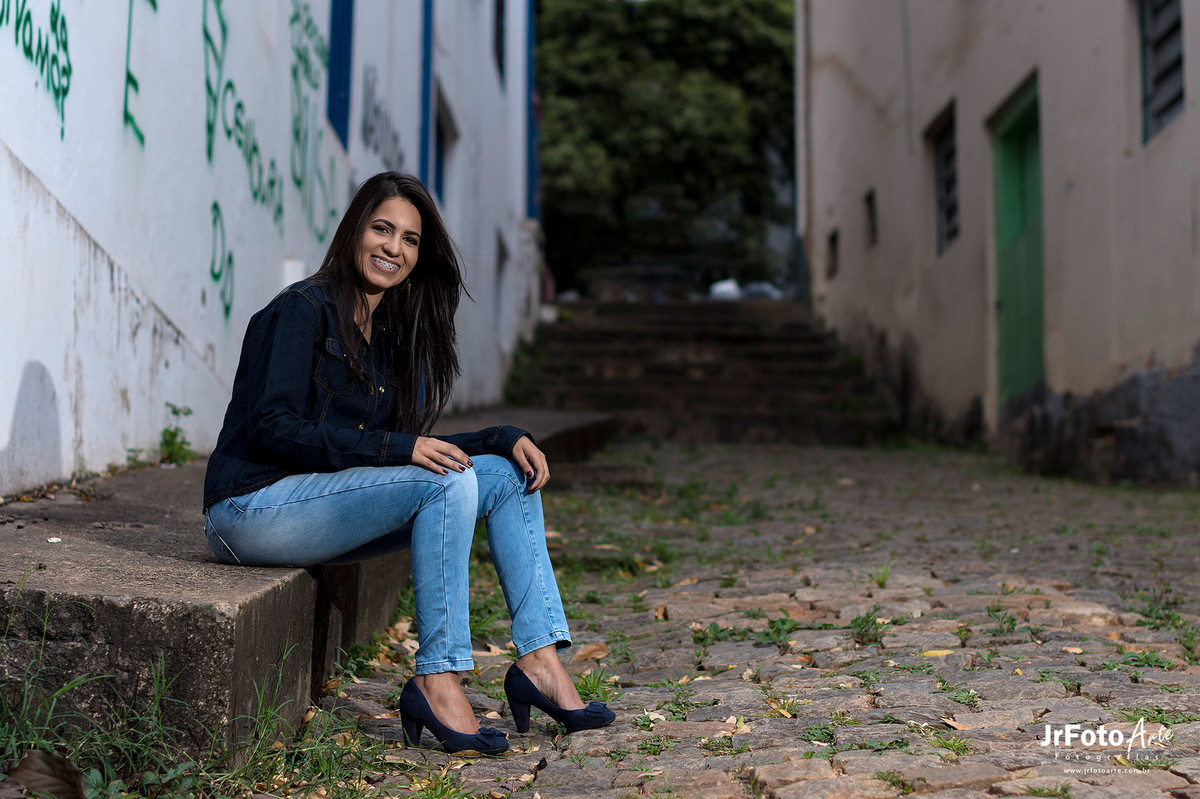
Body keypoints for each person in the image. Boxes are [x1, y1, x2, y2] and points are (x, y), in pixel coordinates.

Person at [202, 172, 614, 754]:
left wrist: (500, 436)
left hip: (322, 508)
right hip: (249, 509)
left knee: (505, 473)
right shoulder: (300, 311)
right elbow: (274, 430)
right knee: (447, 484)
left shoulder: (387, 335)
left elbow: (399, 445)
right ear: (354, 231)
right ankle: (437, 677)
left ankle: (540, 662)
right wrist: (401, 449)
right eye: (382, 229)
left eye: (411, 240)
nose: (394, 248)